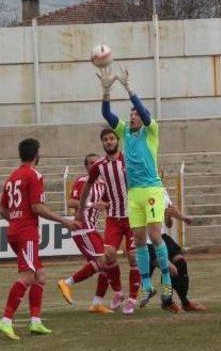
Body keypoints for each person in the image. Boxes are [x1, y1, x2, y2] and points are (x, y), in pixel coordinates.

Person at [98, 65, 174, 310]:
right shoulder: (125, 133)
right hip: (134, 194)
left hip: (152, 190)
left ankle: (166, 279)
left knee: (154, 235)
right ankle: (146, 284)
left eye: (136, 114)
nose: (133, 116)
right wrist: (107, 90)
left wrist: (129, 88)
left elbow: (144, 111)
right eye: (131, 114)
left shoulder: (151, 131)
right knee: (139, 242)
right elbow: (107, 114)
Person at [0, 138, 80, 340]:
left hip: (14, 232)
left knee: (40, 275)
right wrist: (63, 221)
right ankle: (6, 320)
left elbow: (2, 210)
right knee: (27, 276)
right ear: (36, 155)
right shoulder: (33, 175)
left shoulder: (12, 177)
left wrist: (16, 219)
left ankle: (35, 322)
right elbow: (37, 207)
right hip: (26, 234)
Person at [74, 128, 141, 314]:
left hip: (133, 217)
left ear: (117, 140)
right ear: (102, 143)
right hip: (113, 218)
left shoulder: (129, 159)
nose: (109, 142)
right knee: (109, 255)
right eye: (105, 139)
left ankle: (132, 299)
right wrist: (81, 209)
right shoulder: (99, 166)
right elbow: (87, 188)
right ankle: (118, 292)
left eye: (112, 138)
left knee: (133, 256)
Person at [57, 153, 122, 313]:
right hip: (82, 227)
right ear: (86, 167)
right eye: (90, 163)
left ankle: (97, 303)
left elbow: (107, 202)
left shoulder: (103, 184)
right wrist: (93, 204)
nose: (94, 165)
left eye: (96, 163)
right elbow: (71, 202)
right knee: (103, 262)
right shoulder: (83, 181)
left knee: (107, 263)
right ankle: (67, 283)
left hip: (91, 227)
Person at [143, 183, 206, 312]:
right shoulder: (142, 192)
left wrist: (181, 218)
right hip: (148, 241)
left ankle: (185, 302)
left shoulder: (162, 190)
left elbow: (168, 223)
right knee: (168, 268)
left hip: (163, 237)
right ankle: (167, 301)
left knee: (180, 263)